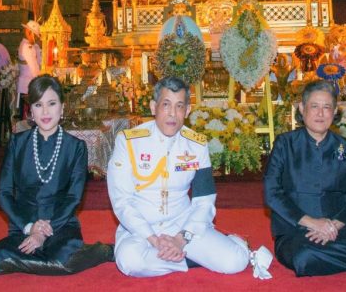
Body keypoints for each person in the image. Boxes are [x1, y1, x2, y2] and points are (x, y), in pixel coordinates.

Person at [108, 76, 260, 277]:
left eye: (179, 106)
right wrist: (154, 239)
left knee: (235, 262)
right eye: (166, 105)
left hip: (183, 227)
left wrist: (180, 239)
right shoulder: (128, 142)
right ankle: (188, 259)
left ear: (187, 111)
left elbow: (204, 202)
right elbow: (122, 202)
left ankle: (206, 248)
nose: (172, 114)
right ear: (154, 107)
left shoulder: (196, 144)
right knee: (130, 263)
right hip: (140, 228)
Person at [264, 80, 346, 277]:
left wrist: (333, 225)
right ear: (302, 108)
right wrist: (312, 223)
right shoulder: (285, 144)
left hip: (338, 230)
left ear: (335, 111)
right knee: (304, 258)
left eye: (327, 107)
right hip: (297, 230)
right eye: (314, 106)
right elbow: (272, 194)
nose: (321, 113)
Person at [0, 74, 113, 275]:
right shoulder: (17, 143)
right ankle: (54, 262)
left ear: (62, 108)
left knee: (63, 257)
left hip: (60, 225)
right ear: (31, 111)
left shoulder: (76, 147)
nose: (45, 111)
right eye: (38, 105)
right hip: (25, 227)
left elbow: (73, 198)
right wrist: (30, 228)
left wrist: (45, 231)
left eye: (52, 103)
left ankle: (101, 251)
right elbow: (3, 193)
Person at [17, 20, 42, 119]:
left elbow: (39, 62)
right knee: (27, 117)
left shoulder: (30, 46)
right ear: (29, 33)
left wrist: (37, 48)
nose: (35, 38)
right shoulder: (27, 47)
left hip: (28, 84)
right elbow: (34, 68)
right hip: (27, 85)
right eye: (34, 35)